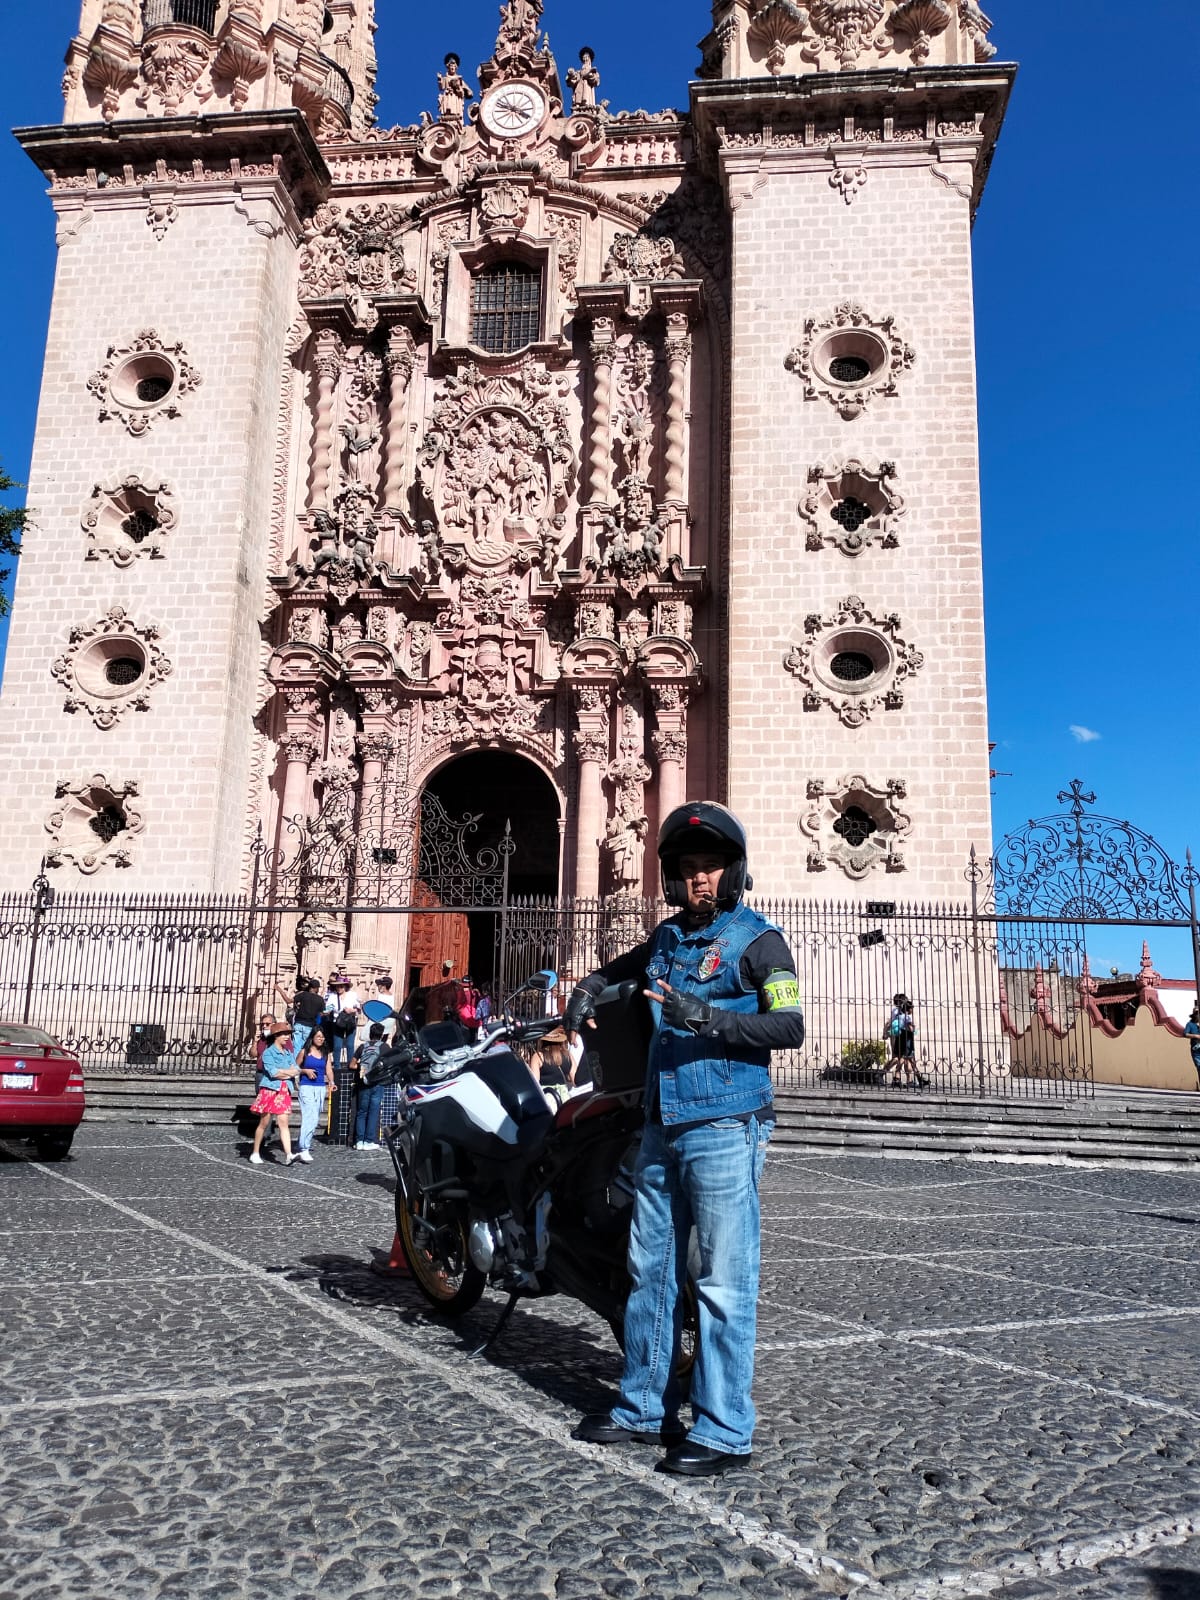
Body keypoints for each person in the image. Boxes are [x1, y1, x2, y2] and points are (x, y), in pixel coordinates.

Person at [565, 801, 805, 1476]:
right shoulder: (669, 941)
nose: (701, 880)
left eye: (713, 868)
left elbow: (789, 1028)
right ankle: (643, 1408)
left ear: (735, 873)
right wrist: (589, 987)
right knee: (651, 1273)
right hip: (662, 1125)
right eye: (689, 869)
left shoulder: (761, 942)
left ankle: (726, 1429)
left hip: (727, 1126)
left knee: (723, 1281)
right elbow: (623, 969)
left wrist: (709, 1019)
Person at [249, 1023, 301, 1165]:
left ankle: (289, 1154)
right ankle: (255, 1152)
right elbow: (273, 1073)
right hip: (270, 1090)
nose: (287, 1037)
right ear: (276, 1036)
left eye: (288, 1034)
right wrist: (287, 1072)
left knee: (284, 1122)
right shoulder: (268, 1053)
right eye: (284, 1034)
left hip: (284, 1090)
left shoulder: (288, 1053)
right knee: (264, 1122)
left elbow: (296, 1069)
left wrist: (285, 1072)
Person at [294, 1025, 334, 1163]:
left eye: (322, 1037)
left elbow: (328, 1069)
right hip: (306, 1087)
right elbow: (294, 1068)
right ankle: (303, 1148)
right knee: (309, 1115)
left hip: (319, 1088)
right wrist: (305, 1071)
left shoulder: (326, 1053)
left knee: (315, 1118)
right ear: (312, 1037)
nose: (321, 1039)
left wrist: (332, 1081)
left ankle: (305, 1143)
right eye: (318, 1036)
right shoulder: (304, 1052)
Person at [353, 1022, 388, 1151]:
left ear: (370, 1033)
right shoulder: (384, 1047)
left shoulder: (362, 1047)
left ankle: (359, 1141)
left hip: (363, 1083)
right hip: (377, 1083)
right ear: (381, 1035)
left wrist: (363, 1068)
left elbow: (351, 1065)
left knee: (361, 1112)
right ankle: (369, 1141)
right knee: (373, 1112)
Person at [884, 992, 928, 1088]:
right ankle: (900, 1078)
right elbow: (910, 1028)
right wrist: (913, 1027)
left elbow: (890, 1023)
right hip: (905, 1038)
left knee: (905, 1059)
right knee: (904, 1058)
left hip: (900, 1037)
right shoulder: (904, 1016)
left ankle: (908, 1079)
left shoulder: (899, 1014)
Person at [325, 973, 362, 1075]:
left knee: (350, 1045)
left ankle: (351, 1065)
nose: (339, 988)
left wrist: (352, 1010)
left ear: (345, 986)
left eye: (341, 986)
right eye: (337, 986)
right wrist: (325, 1011)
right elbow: (328, 1008)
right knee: (337, 1046)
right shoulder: (332, 996)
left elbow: (359, 1008)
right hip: (338, 1023)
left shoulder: (352, 995)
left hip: (350, 1022)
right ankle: (337, 1067)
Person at [292, 977, 325, 1058]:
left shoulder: (303, 995)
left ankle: (295, 1064)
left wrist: (280, 990)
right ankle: (303, 1062)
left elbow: (290, 1001)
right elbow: (321, 1013)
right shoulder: (320, 999)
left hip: (299, 1023)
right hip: (309, 1025)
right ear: (316, 988)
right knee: (306, 1046)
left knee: (296, 1045)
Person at [1184, 1005, 1200, 1090]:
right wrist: (1195, 1036)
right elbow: (1185, 1034)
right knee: (1199, 1067)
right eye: (1196, 1013)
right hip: (1196, 1050)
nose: (1197, 1015)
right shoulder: (1190, 1024)